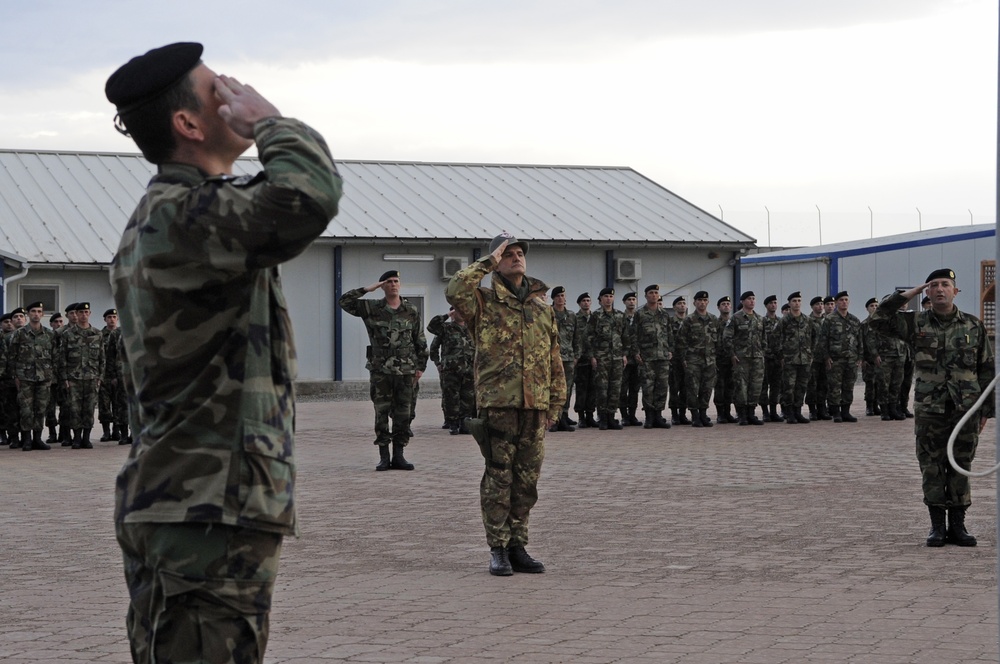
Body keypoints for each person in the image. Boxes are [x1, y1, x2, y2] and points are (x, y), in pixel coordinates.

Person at [106, 42, 342, 663]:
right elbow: (307, 196)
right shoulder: (185, 216)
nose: (236, 93)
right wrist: (269, 122)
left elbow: (274, 205)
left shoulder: (183, 215)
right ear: (188, 123)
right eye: (220, 91)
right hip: (205, 508)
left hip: (192, 503)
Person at [446, 233, 566, 576]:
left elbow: (554, 358)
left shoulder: (541, 309)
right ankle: (497, 548)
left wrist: (555, 404)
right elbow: (454, 290)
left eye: (519, 253)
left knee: (527, 482)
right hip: (499, 405)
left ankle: (517, 546)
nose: (516, 258)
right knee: (499, 479)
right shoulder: (482, 302)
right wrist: (488, 260)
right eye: (508, 254)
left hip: (535, 406)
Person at [870, 269, 994, 547]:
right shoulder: (916, 323)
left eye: (946, 285)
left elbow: (986, 369)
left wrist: (987, 410)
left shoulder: (973, 326)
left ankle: (958, 527)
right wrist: (907, 294)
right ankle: (937, 526)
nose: (940, 289)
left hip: (966, 409)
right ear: (927, 292)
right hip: (930, 409)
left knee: (961, 465)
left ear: (955, 291)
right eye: (934, 285)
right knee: (931, 466)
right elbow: (877, 321)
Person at [341, 270, 428, 470]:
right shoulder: (372, 308)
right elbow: (344, 302)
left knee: (403, 414)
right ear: (382, 285)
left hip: (406, 371)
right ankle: (383, 456)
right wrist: (366, 289)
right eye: (388, 282)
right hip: (381, 370)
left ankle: (399, 455)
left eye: (396, 281)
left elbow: (419, 339)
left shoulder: (411, 310)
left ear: (400, 284)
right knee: (381, 413)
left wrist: (420, 367)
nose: (393, 284)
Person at [6, 301, 56, 450]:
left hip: (44, 377)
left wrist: (52, 375)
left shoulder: (49, 334)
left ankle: (37, 439)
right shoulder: (19, 334)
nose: (36, 314)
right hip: (25, 377)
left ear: (42, 314)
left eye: (38, 311)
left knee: (41, 408)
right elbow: (12, 357)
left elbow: (55, 356)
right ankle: (26, 439)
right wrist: (15, 376)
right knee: (26, 409)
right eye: (33, 311)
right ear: (28, 314)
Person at [56, 302, 105, 448]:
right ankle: (76, 438)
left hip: (92, 377)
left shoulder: (97, 334)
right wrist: (64, 378)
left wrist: (100, 378)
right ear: (76, 315)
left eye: (86, 312)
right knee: (74, 408)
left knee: (89, 408)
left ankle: (86, 438)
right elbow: (62, 357)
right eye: (81, 312)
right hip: (73, 378)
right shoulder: (68, 334)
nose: (83, 315)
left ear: (90, 314)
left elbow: (102, 358)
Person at [427, 307, 475, 435]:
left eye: (463, 309)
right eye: (458, 310)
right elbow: (432, 327)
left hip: (469, 369)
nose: (461, 313)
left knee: (468, 398)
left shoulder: (472, 328)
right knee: (451, 397)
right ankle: (453, 423)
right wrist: (438, 363)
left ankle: (465, 423)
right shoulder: (446, 328)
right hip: (450, 370)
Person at [771, 292, 815, 424]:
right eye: (794, 301)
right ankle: (788, 412)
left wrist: (810, 353)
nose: (797, 303)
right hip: (789, 359)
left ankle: (798, 411)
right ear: (789, 304)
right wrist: (780, 355)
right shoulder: (783, 321)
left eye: (799, 301)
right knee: (788, 387)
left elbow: (814, 337)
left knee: (801, 387)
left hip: (804, 360)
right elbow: (774, 338)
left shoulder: (807, 320)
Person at [675, 290, 719, 427]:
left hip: (710, 360)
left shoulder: (713, 319)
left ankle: (703, 413)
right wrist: (684, 359)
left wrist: (715, 357)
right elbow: (681, 341)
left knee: (707, 388)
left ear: (708, 302)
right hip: (693, 360)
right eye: (699, 300)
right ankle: (694, 415)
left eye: (705, 300)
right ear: (694, 303)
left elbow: (718, 341)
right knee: (693, 388)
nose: (702, 302)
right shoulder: (689, 320)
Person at [817, 291, 862, 423]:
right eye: (841, 300)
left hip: (851, 359)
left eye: (846, 300)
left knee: (849, 386)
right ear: (836, 303)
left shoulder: (854, 320)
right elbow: (823, 340)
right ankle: (836, 412)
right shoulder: (830, 319)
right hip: (835, 359)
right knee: (835, 387)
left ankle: (846, 411)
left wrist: (860, 356)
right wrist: (826, 357)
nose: (844, 302)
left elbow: (860, 340)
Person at [587, 287, 627, 430]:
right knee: (602, 388)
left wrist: (624, 354)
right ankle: (602, 417)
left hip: (617, 357)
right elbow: (589, 337)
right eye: (605, 296)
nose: (608, 299)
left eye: (610, 296)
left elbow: (625, 336)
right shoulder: (596, 316)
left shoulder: (620, 316)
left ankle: (612, 416)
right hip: (601, 357)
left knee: (615, 388)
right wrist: (592, 356)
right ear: (601, 299)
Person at [633, 284, 672, 429]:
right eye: (651, 293)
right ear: (646, 296)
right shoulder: (640, 314)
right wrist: (636, 352)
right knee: (648, 387)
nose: (654, 295)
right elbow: (634, 335)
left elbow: (669, 334)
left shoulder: (664, 314)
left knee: (662, 387)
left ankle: (658, 415)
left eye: (656, 293)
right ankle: (649, 416)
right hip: (647, 357)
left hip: (662, 356)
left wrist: (670, 350)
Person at [723, 291, 765, 425]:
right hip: (741, 358)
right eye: (749, 299)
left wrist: (762, 352)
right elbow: (727, 337)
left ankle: (751, 413)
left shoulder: (759, 318)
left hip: (757, 358)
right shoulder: (736, 318)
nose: (752, 301)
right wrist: (732, 354)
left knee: (755, 386)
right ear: (742, 301)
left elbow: (764, 338)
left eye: (753, 298)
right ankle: (741, 415)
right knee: (741, 386)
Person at [550, 286, 584, 432]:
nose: (560, 298)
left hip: (569, 358)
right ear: (553, 298)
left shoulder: (571, 316)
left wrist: (576, 355)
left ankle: (563, 416)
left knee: (567, 389)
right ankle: (553, 419)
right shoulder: (548, 314)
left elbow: (577, 338)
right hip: (552, 358)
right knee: (552, 389)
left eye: (562, 295)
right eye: (557, 296)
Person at [759, 294, 784, 422]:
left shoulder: (781, 322)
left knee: (776, 386)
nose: (773, 305)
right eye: (771, 303)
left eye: (775, 303)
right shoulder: (761, 321)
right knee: (763, 386)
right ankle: (765, 412)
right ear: (766, 306)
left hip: (777, 358)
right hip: (765, 358)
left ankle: (774, 411)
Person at [618, 291, 642, 426]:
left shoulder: (641, 317)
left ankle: (632, 415)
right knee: (623, 388)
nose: (631, 302)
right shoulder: (620, 317)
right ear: (624, 302)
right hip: (625, 358)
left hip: (638, 359)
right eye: (629, 299)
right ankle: (624, 415)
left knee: (634, 389)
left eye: (633, 299)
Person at [573, 293, 597, 428]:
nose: (586, 303)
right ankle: (581, 416)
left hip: (595, 359)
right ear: (579, 303)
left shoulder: (596, 318)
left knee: (593, 389)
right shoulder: (575, 319)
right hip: (581, 360)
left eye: (588, 300)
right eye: (583, 301)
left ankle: (590, 415)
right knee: (582, 389)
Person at [713, 296, 737, 423]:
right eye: (723, 304)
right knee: (719, 387)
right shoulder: (715, 323)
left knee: (730, 387)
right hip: (719, 360)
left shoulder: (734, 322)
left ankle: (728, 413)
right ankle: (720, 414)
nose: (726, 306)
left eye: (728, 303)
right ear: (718, 307)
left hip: (732, 360)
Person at [668, 296, 690, 424]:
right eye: (679, 303)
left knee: (685, 388)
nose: (682, 305)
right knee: (674, 387)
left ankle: (683, 413)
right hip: (674, 360)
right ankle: (674, 414)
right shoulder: (670, 322)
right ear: (674, 307)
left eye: (684, 303)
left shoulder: (690, 321)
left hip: (688, 359)